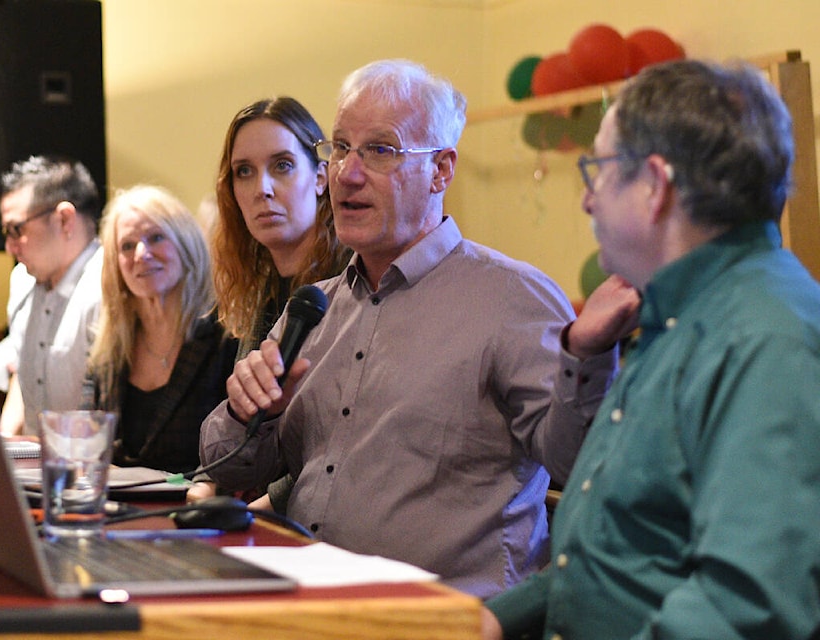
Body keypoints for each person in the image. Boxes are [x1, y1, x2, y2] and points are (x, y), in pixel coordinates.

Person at [200, 59, 639, 598]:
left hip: (442, 621)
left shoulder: (512, 299)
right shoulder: (315, 308)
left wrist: (587, 353)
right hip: (306, 607)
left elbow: (580, 466)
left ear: (441, 171)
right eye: (340, 148)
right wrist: (249, 410)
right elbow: (226, 464)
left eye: (380, 150)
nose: (347, 173)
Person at [482, 60, 820, 640]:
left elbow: (746, 610)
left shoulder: (765, 340)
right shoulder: (674, 316)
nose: (588, 202)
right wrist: (479, 622)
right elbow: (612, 555)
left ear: (655, 186)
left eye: (599, 172)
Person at [211, 96, 351, 508]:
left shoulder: (356, 280)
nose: (262, 189)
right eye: (244, 172)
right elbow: (248, 429)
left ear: (322, 177)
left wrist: (265, 506)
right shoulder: (261, 288)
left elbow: (344, 443)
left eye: (282, 166)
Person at [82, 185, 238, 475]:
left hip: (195, 509)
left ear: (186, 244)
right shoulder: (107, 347)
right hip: (118, 509)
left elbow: (240, 453)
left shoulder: (226, 338)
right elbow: (87, 447)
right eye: (127, 246)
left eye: (156, 238)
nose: (142, 254)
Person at [0, 155, 103, 435]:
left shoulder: (107, 285)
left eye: (16, 229)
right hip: (33, 466)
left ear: (65, 219)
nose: (9, 247)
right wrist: (3, 447)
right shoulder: (22, 279)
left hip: (88, 467)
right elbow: (21, 375)